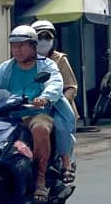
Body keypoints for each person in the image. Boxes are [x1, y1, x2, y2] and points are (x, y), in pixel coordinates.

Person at [0, 24, 64, 197]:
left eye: (22, 45)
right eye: (14, 46)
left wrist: (44, 97)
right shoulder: (6, 67)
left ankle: (40, 178)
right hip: (10, 114)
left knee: (40, 128)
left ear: (33, 46)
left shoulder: (46, 65)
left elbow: (55, 83)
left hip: (36, 113)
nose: (17, 50)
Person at [31, 19, 79, 177]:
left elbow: (71, 86)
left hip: (58, 106)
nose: (44, 41)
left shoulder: (59, 59)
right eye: (40, 37)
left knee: (60, 124)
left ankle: (66, 164)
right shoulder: (25, 59)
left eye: (47, 37)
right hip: (34, 105)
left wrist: (59, 101)